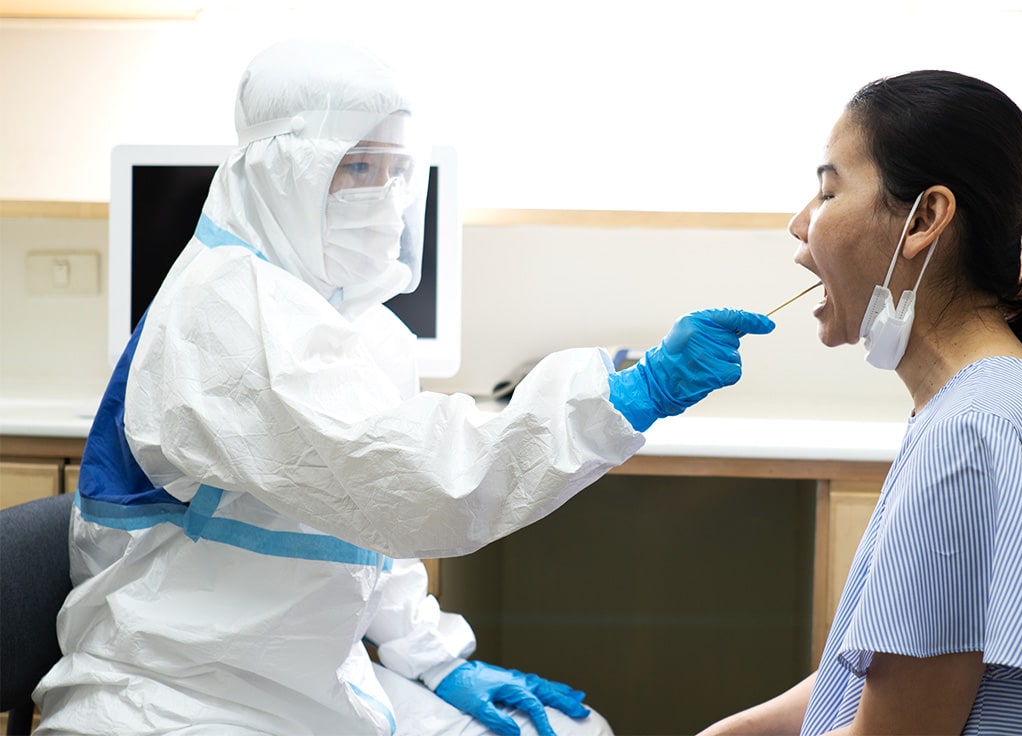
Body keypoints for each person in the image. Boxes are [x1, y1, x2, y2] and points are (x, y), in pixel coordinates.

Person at [32, 38, 774, 736]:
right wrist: (625, 394)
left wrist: (436, 659)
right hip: (181, 695)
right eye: (357, 167)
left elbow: (365, 528)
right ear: (285, 170)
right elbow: (416, 485)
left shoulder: (356, 323)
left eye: (394, 169)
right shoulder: (225, 313)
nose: (383, 193)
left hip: (310, 683)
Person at [698, 70, 1022, 736]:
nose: (799, 226)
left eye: (827, 190)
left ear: (926, 218)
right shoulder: (992, 402)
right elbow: (896, 665)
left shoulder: (972, 436)